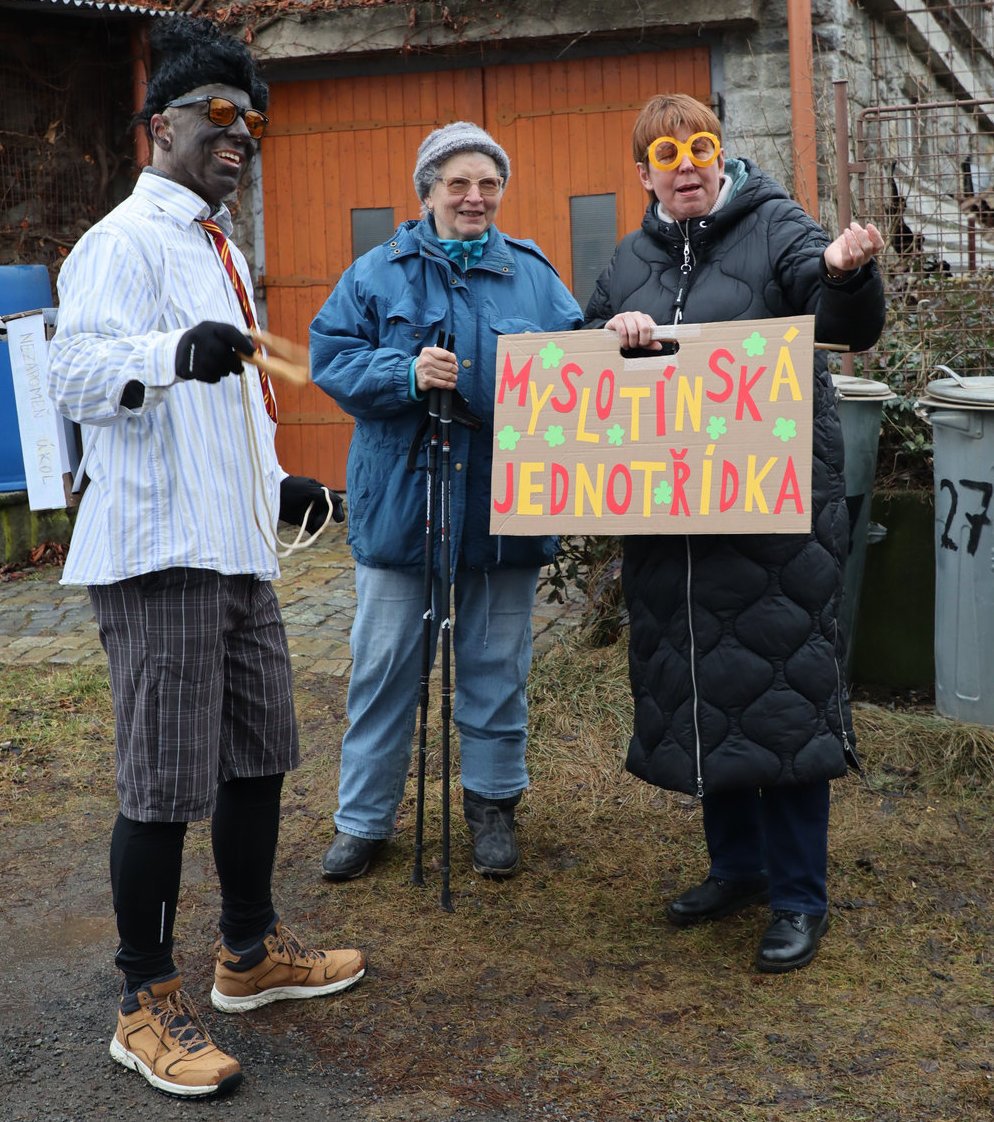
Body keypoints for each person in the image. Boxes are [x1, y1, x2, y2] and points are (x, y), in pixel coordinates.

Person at [48, 21, 365, 1099]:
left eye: (252, 120)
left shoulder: (217, 247)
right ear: (161, 127)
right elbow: (73, 372)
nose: (240, 135)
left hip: (234, 548)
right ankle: (143, 1000)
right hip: (158, 554)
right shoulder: (124, 240)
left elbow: (229, 401)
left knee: (259, 755)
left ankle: (248, 951)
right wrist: (169, 353)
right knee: (163, 782)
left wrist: (280, 485)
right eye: (218, 115)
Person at [585, 94, 886, 973]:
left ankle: (798, 896)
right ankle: (738, 869)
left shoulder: (778, 227)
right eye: (666, 154)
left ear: (722, 156)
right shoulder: (630, 261)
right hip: (675, 528)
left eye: (701, 147)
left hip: (776, 525)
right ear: (643, 174)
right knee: (705, 689)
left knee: (783, 696)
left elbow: (845, 323)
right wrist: (611, 337)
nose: (686, 165)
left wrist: (842, 273)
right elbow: (581, 369)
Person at [310, 122, 583, 882]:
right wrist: (403, 374)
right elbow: (331, 357)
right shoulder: (377, 273)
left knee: (497, 664)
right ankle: (364, 819)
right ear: (427, 191)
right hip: (404, 506)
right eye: (458, 183)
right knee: (385, 669)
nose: (474, 197)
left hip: (503, 507)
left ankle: (492, 805)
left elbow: (579, 363)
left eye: (488, 184)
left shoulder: (533, 276)